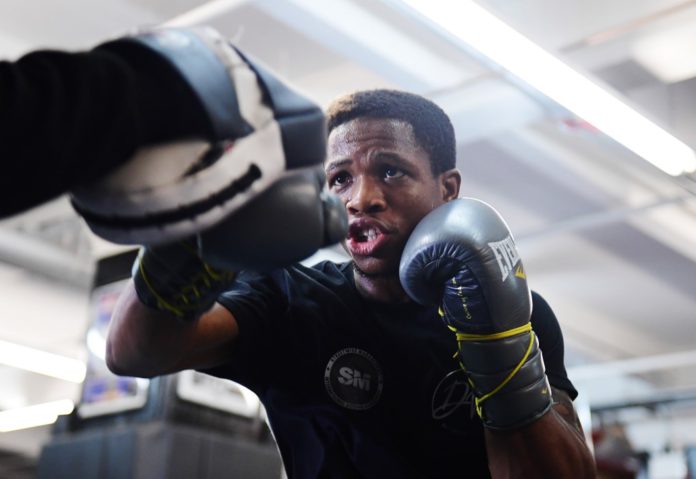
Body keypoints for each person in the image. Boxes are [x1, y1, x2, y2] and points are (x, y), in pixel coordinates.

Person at [107, 89, 597, 478]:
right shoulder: (289, 299)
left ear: (447, 189)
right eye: (340, 179)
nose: (361, 198)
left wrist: (496, 344)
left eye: (390, 171)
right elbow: (136, 353)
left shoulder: (523, 315)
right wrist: (190, 240)